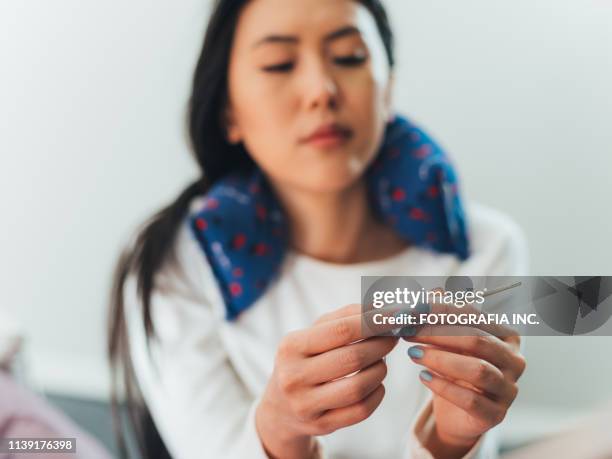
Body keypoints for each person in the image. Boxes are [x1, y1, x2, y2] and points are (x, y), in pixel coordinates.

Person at [108, 1, 529, 458]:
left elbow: (588, 309)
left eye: (349, 57)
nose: (321, 91)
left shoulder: (485, 248)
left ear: (388, 89)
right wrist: (279, 431)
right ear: (228, 111)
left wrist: (453, 440)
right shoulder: (177, 260)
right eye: (278, 64)